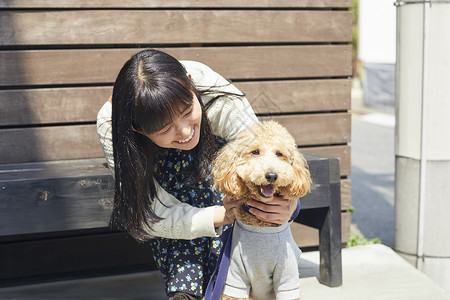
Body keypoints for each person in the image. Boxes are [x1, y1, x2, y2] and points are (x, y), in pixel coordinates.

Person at [96, 49, 297, 300]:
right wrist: (219, 215)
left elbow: (263, 158)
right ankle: (200, 283)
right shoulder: (111, 125)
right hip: (174, 187)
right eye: (166, 129)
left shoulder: (209, 86)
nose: (184, 132)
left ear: (191, 85)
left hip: (222, 175)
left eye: (187, 111)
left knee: (232, 159)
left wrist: (287, 205)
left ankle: (198, 285)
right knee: (179, 170)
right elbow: (150, 211)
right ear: (138, 128)